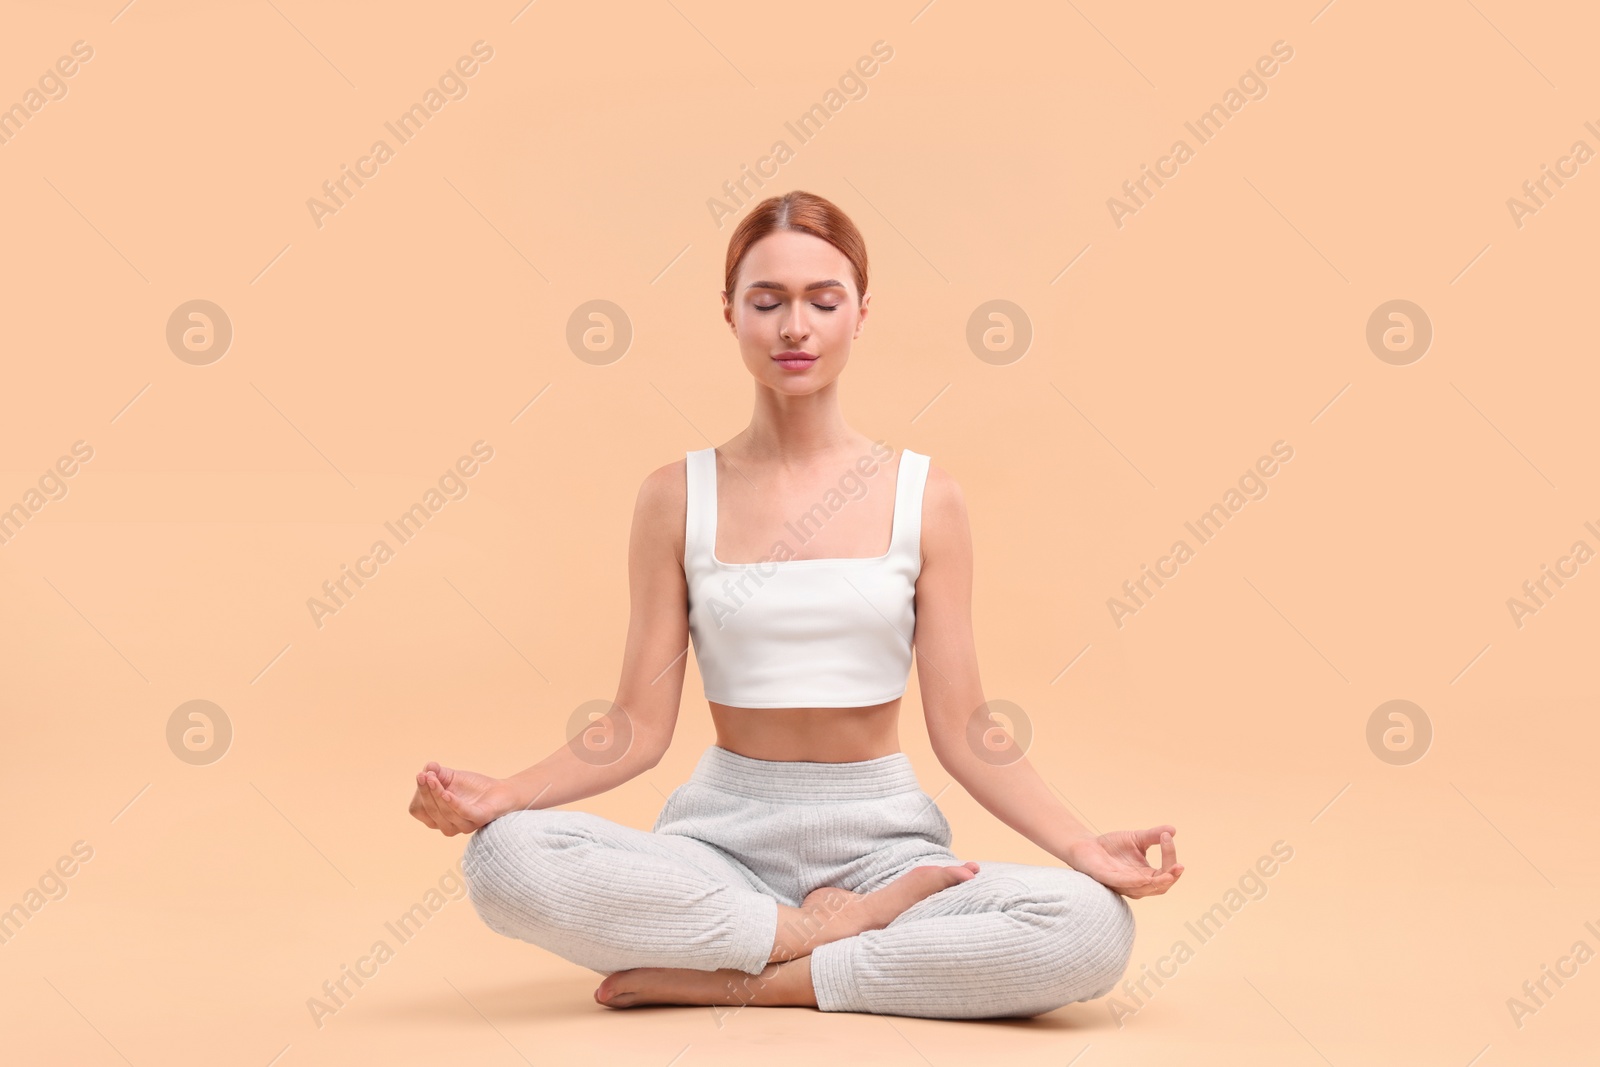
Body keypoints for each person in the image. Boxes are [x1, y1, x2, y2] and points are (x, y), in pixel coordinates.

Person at [408, 190, 1183, 1019]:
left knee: (1092, 926)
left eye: (824, 300)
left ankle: (756, 976)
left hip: (890, 856)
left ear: (862, 312)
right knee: (505, 860)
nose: (795, 328)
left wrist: (1080, 844)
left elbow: (966, 728)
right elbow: (634, 726)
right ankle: (805, 935)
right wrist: (501, 797)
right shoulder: (675, 495)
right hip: (718, 850)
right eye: (767, 301)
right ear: (730, 312)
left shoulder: (928, 496)